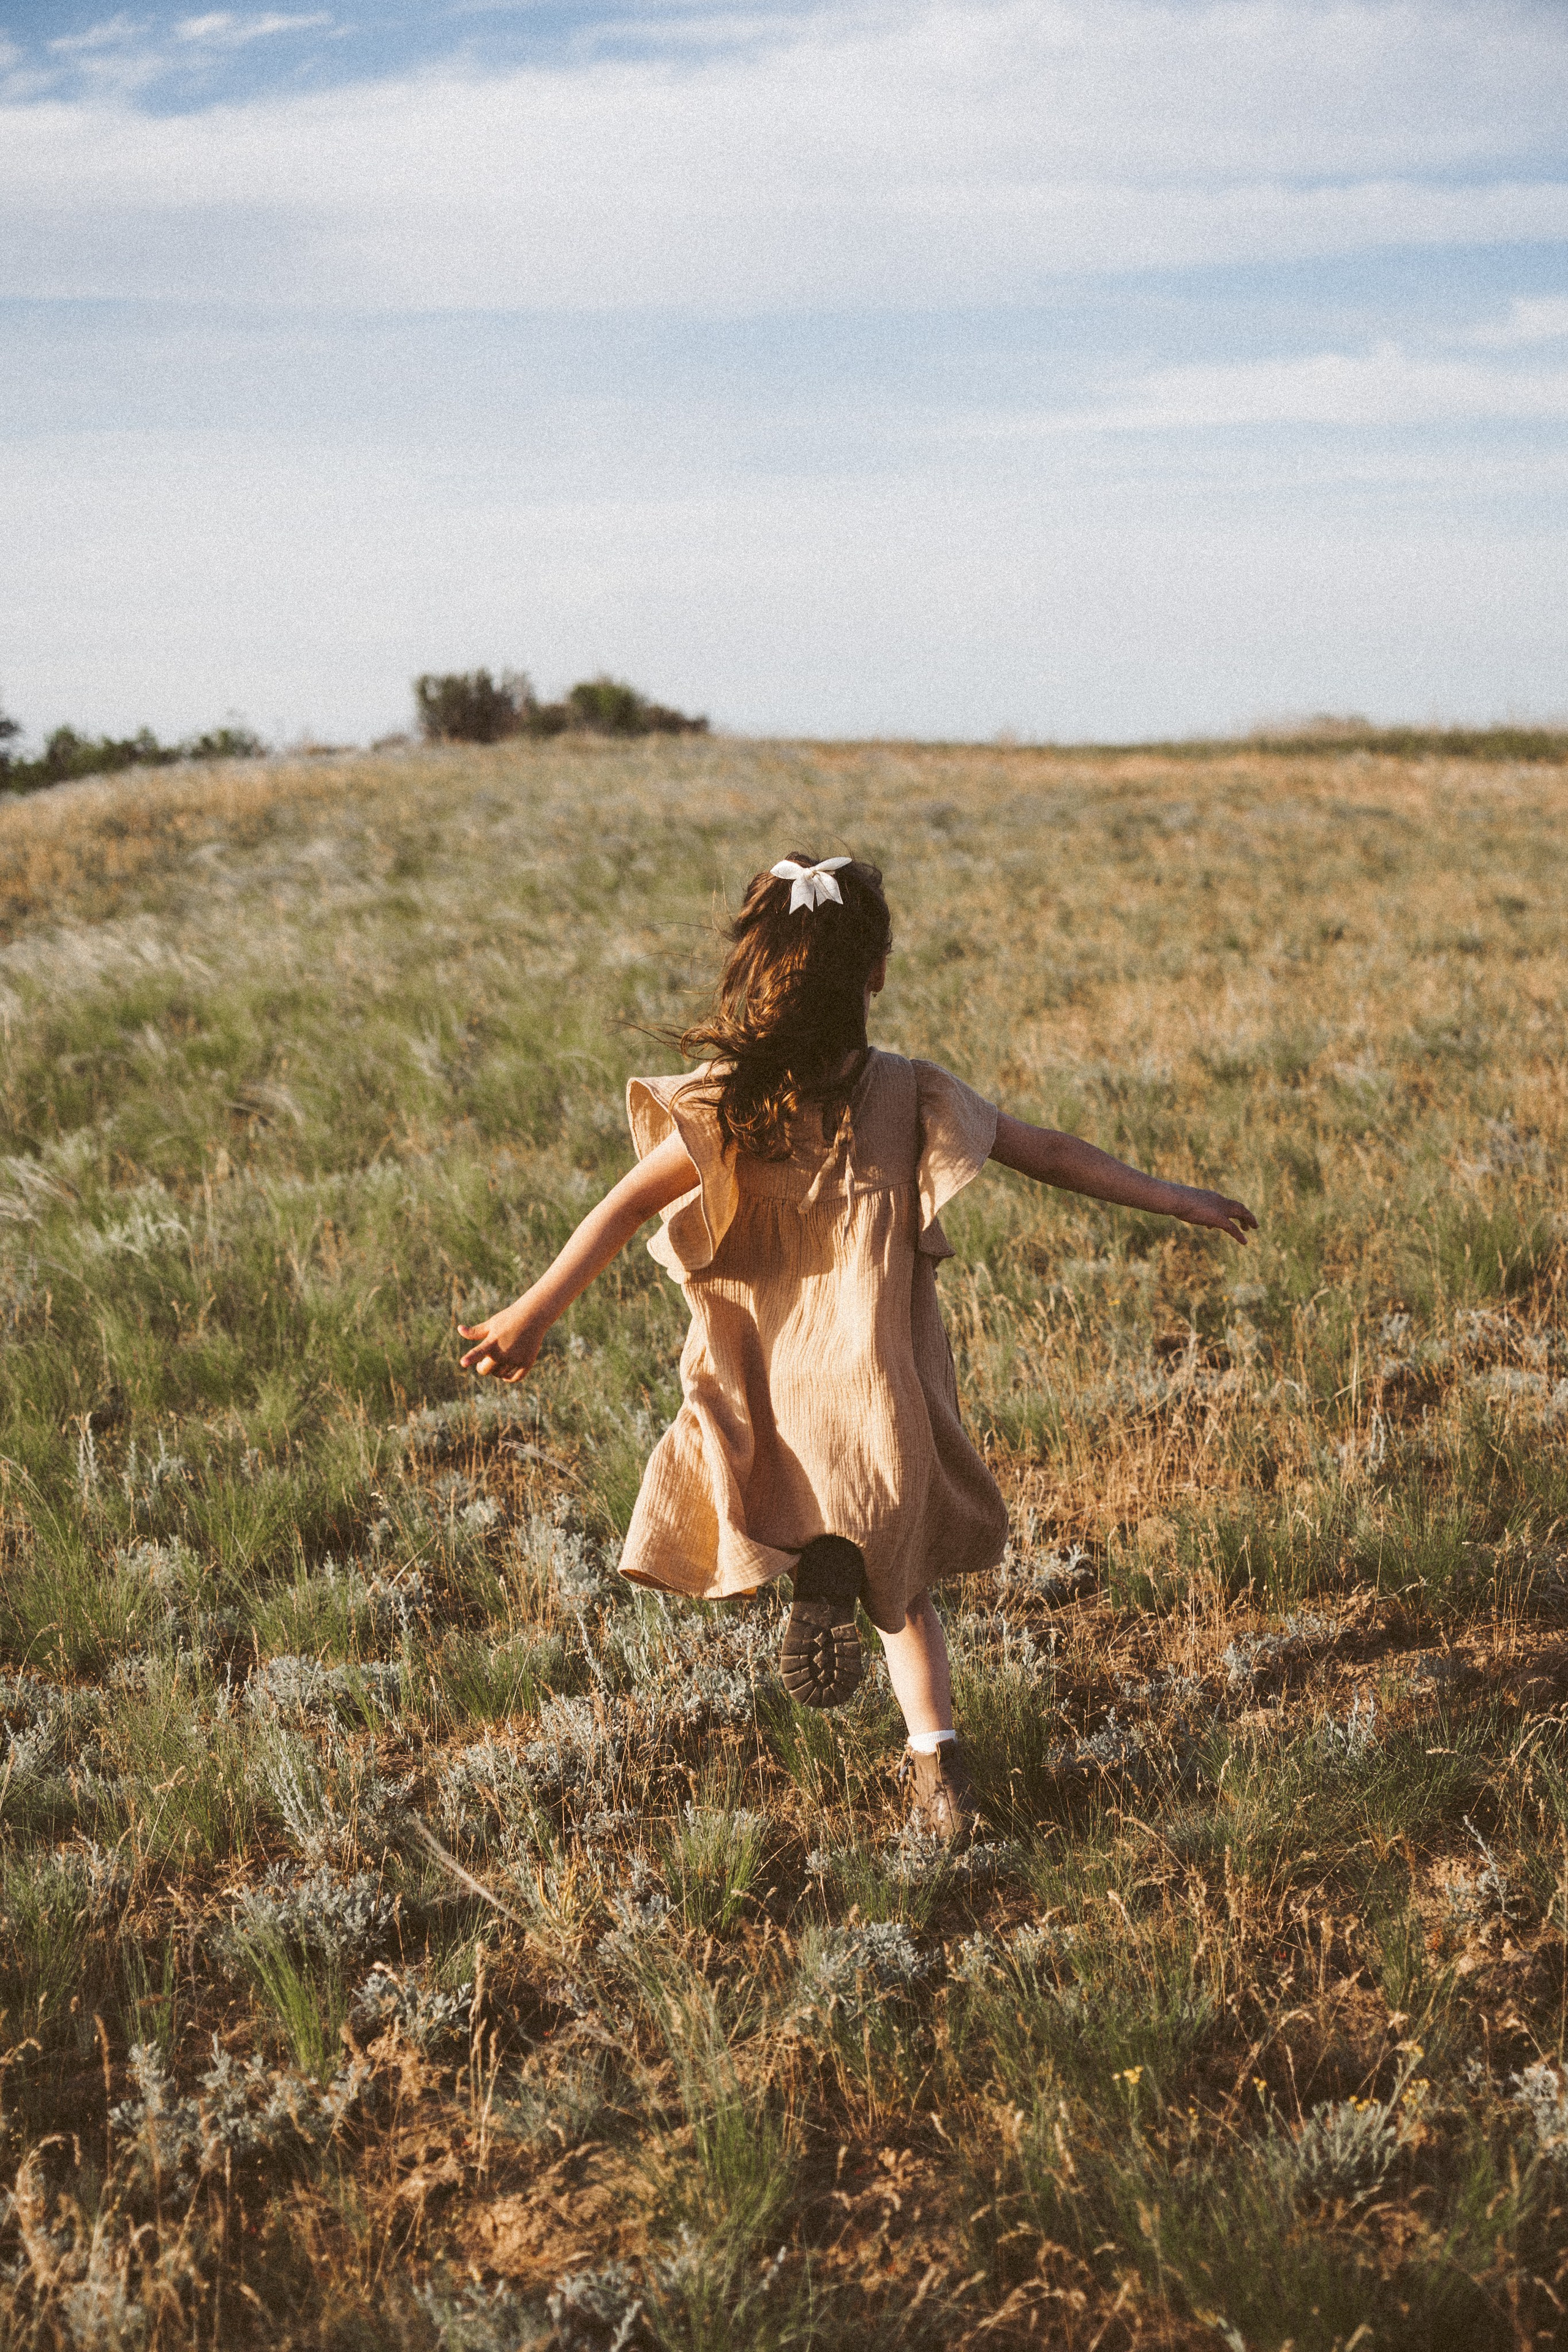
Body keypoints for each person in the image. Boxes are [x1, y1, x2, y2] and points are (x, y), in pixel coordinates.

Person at [460, 853, 1256, 1841]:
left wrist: (531, 1313)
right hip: (878, 1382)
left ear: (761, 972)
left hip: (768, 1372)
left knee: (770, 1496)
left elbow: (624, 1208)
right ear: (876, 972)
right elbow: (1044, 1148)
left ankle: (813, 1570)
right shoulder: (911, 1094)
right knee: (905, 1577)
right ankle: (939, 1761)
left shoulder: (731, 1104)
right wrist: (1177, 1198)